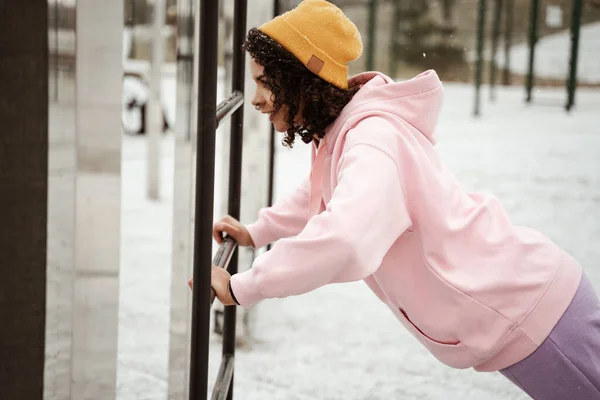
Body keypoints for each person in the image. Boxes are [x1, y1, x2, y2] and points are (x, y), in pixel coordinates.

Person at [194, 1, 600, 398]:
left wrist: (245, 286)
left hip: (532, 313)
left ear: (300, 78)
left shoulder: (372, 140)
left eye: (265, 82)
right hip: (519, 309)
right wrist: (257, 230)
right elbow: (319, 195)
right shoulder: (346, 134)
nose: (256, 98)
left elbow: (345, 238)